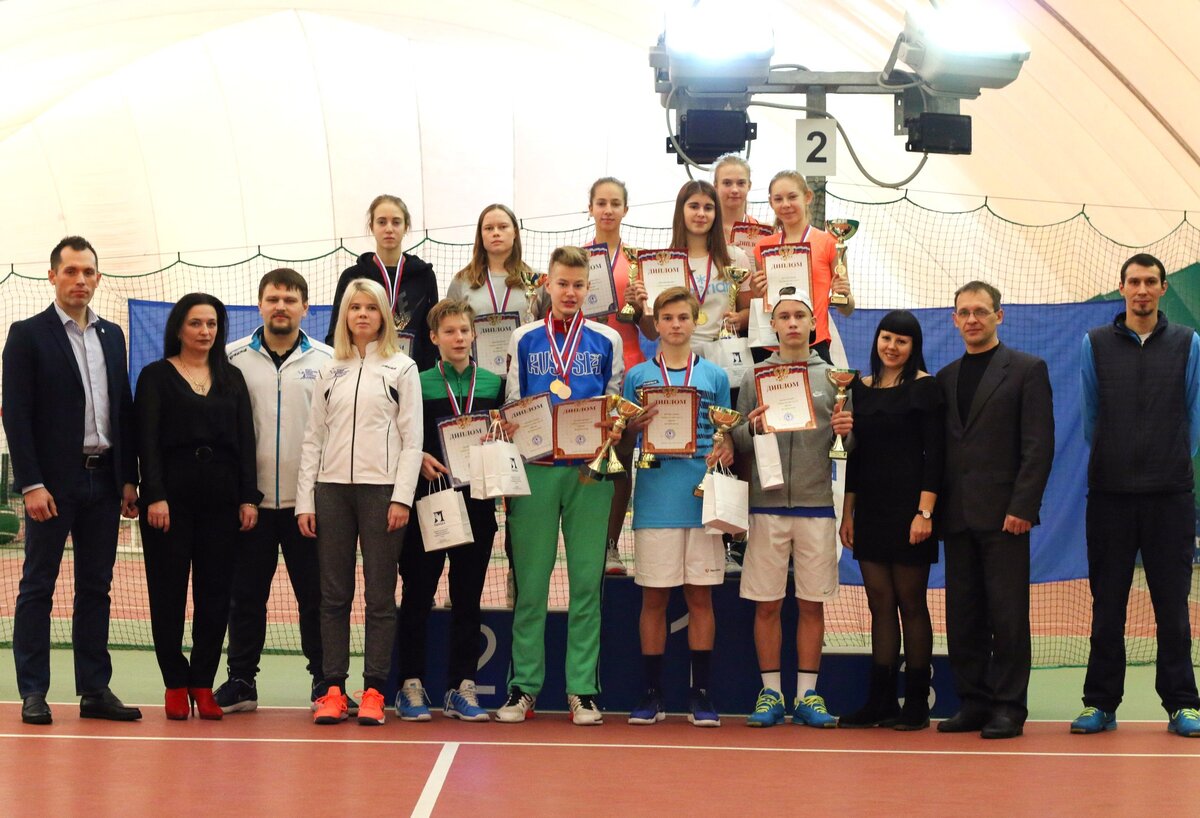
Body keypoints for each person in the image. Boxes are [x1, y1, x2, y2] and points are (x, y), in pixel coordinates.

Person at [2, 236, 142, 725]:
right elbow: (17, 415)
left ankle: (95, 690)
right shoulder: (27, 335)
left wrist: (128, 479)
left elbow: (121, 409)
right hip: (52, 487)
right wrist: (31, 483)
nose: (80, 280)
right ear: (53, 276)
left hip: (104, 484)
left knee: (96, 588)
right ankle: (33, 691)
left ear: (98, 278)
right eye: (71, 271)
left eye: (88, 272)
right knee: (37, 586)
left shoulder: (113, 336)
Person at [1071, 253, 1200, 738]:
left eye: (1150, 282)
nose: (1141, 290)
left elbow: (1193, 417)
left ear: (1163, 288)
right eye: (1134, 282)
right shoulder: (1095, 343)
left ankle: (1182, 704)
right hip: (1110, 497)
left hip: (1170, 498)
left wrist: (1167, 460)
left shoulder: (1188, 343)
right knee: (1107, 606)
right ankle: (1100, 704)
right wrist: (1117, 459)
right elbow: (1091, 416)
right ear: (1122, 287)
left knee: (1173, 606)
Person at [499, 246, 624, 726]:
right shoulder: (524, 338)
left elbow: (614, 400)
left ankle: (582, 690)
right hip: (536, 470)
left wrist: (614, 426)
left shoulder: (607, 338)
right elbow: (514, 400)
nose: (570, 292)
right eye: (562, 284)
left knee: (586, 583)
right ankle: (523, 687)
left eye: (578, 285)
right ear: (547, 284)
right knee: (531, 585)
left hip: (590, 472)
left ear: (588, 288)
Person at [298, 279, 422, 726]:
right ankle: (333, 689)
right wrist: (305, 500)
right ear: (345, 316)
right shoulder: (329, 369)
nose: (363, 314)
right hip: (331, 492)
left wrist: (401, 498)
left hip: (381, 493)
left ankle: (373, 690)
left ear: (383, 314)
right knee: (333, 596)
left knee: (380, 597)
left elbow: (412, 440)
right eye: (355, 307)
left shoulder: (402, 368)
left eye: (371, 307)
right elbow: (313, 438)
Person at [730, 287, 853, 728]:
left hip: (816, 505)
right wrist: (751, 427)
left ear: (813, 324)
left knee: (812, 604)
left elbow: (849, 446)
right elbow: (738, 439)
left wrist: (847, 430)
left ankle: (807, 695)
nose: (793, 323)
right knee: (767, 604)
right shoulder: (755, 376)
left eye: (800, 316)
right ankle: (770, 693)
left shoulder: (835, 378)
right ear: (773, 325)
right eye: (784, 317)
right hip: (766, 506)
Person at [935, 281, 1053, 739]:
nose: (972, 320)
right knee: (963, 615)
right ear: (954, 320)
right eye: (964, 313)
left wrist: (1022, 505)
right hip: (956, 517)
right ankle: (974, 702)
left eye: (981, 311)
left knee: (1007, 616)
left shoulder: (1027, 370)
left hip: (1006, 518)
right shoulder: (945, 377)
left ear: (998, 316)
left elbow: (1038, 445)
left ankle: (1008, 707)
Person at [136, 293, 261, 720]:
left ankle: (203, 684)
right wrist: (154, 494)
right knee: (167, 594)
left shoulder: (232, 377)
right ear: (179, 328)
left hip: (222, 502)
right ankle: (175, 683)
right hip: (169, 502)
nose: (205, 331)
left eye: (211, 324)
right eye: (195, 323)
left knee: (215, 595)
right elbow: (146, 440)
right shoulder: (155, 377)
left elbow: (246, 441)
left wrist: (248, 496)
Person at [216, 269, 333, 713]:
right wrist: (238, 494)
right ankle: (241, 680)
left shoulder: (328, 360)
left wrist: (317, 496)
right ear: (260, 305)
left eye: (289, 299)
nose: (281, 306)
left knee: (316, 599)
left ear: (306, 307)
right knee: (245, 597)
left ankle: (325, 682)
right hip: (251, 505)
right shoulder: (230, 358)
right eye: (273, 298)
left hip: (310, 507)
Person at [619, 287, 732, 727]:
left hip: (702, 501)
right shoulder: (637, 377)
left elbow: (726, 436)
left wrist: (724, 448)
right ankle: (651, 694)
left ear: (695, 319)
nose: (675, 325)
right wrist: (632, 426)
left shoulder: (715, 376)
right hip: (654, 501)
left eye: (683, 317)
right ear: (657, 323)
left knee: (700, 598)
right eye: (667, 318)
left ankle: (701, 695)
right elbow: (625, 436)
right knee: (654, 599)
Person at [396, 299, 506, 723]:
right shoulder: (416, 381)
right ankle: (410, 684)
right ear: (433, 338)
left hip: (477, 503)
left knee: (467, 598)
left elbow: (502, 439)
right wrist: (419, 457)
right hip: (428, 500)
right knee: (418, 595)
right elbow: (400, 435)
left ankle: (462, 686)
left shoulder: (494, 383)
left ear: (474, 334)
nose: (458, 338)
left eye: (464, 330)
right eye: (449, 332)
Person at [838, 311, 944, 731]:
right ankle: (879, 702)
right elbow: (855, 456)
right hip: (870, 512)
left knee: (911, 604)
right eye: (886, 338)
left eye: (902, 341)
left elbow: (936, 455)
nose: (892, 347)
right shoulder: (859, 389)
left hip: (911, 512)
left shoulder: (926, 388)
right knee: (879, 605)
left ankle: (916, 704)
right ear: (876, 340)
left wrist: (925, 513)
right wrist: (848, 513)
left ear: (913, 346)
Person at [583, 177, 646, 577]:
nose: (608, 210)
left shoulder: (637, 261)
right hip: (585, 368)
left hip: (629, 366)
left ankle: (610, 545)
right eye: (601, 203)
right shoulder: (577, 258)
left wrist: (639, 307)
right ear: (590, 208)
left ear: (625, 209)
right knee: (585, 456)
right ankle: (584, 541)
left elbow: (651, 328)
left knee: (621, 459)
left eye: (615, 203)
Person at [629, 180, 753, 361]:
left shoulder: (736, 257)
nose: (701, 213)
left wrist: (740, 319)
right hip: (675, 359)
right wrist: (639, 307)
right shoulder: (660, 264)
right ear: (681, 210)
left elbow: (749, 311)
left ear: (716, 213)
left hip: (723, 358)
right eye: (694, 206)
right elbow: (651, 333)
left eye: (708, 208)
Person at [751, 170, 854, 365]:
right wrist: (757, 292)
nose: (786, 204)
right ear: (771, 202)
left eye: (792, 197)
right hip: (773, 346)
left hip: (815, 342)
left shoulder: (830, 243)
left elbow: (847, 309)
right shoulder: (762, 248)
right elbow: (763, 302)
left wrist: (844, 295)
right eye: (778, 199)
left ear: (807, 197)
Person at [327, 194, 439, 369]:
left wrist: (424, 376)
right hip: (363, 372)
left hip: (413, 372)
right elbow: (337, 332)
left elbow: (431, 333)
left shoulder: (424, 276)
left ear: (406, 227)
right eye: (381, 222)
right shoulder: (353, 277)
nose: (389, 229)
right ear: (371, 226)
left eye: (396, 222)